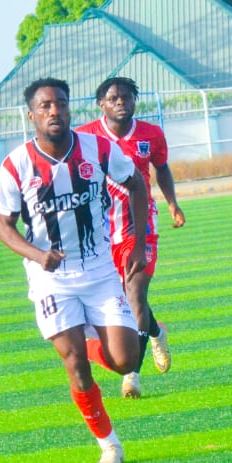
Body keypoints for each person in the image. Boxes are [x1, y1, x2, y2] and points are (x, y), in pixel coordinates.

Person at [0, 78, 151, 463]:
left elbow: (136, 184)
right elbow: (3, 224)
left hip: (98, 269)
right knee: (75, 365)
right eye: (45, 106)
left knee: (125, 360)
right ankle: (109, 446)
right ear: (31, 115)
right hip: (51, 279)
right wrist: (36, 254)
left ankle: (87, 334)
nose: (54, 112)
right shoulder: (16, 165)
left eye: (61, 104)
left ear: (70, 110)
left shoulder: (98, 148)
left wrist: (134, 243)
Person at [79, 77, 184, 398]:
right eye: (113, 98)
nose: (121, 102)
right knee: (122, 299)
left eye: (126, 97)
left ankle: (132, 377)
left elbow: (161, 169)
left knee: (134, 294)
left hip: (141, 226)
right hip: (99, 233)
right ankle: (155, 330)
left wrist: (172, 204)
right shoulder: (85, 136)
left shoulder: (151, 134)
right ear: (102, 104)